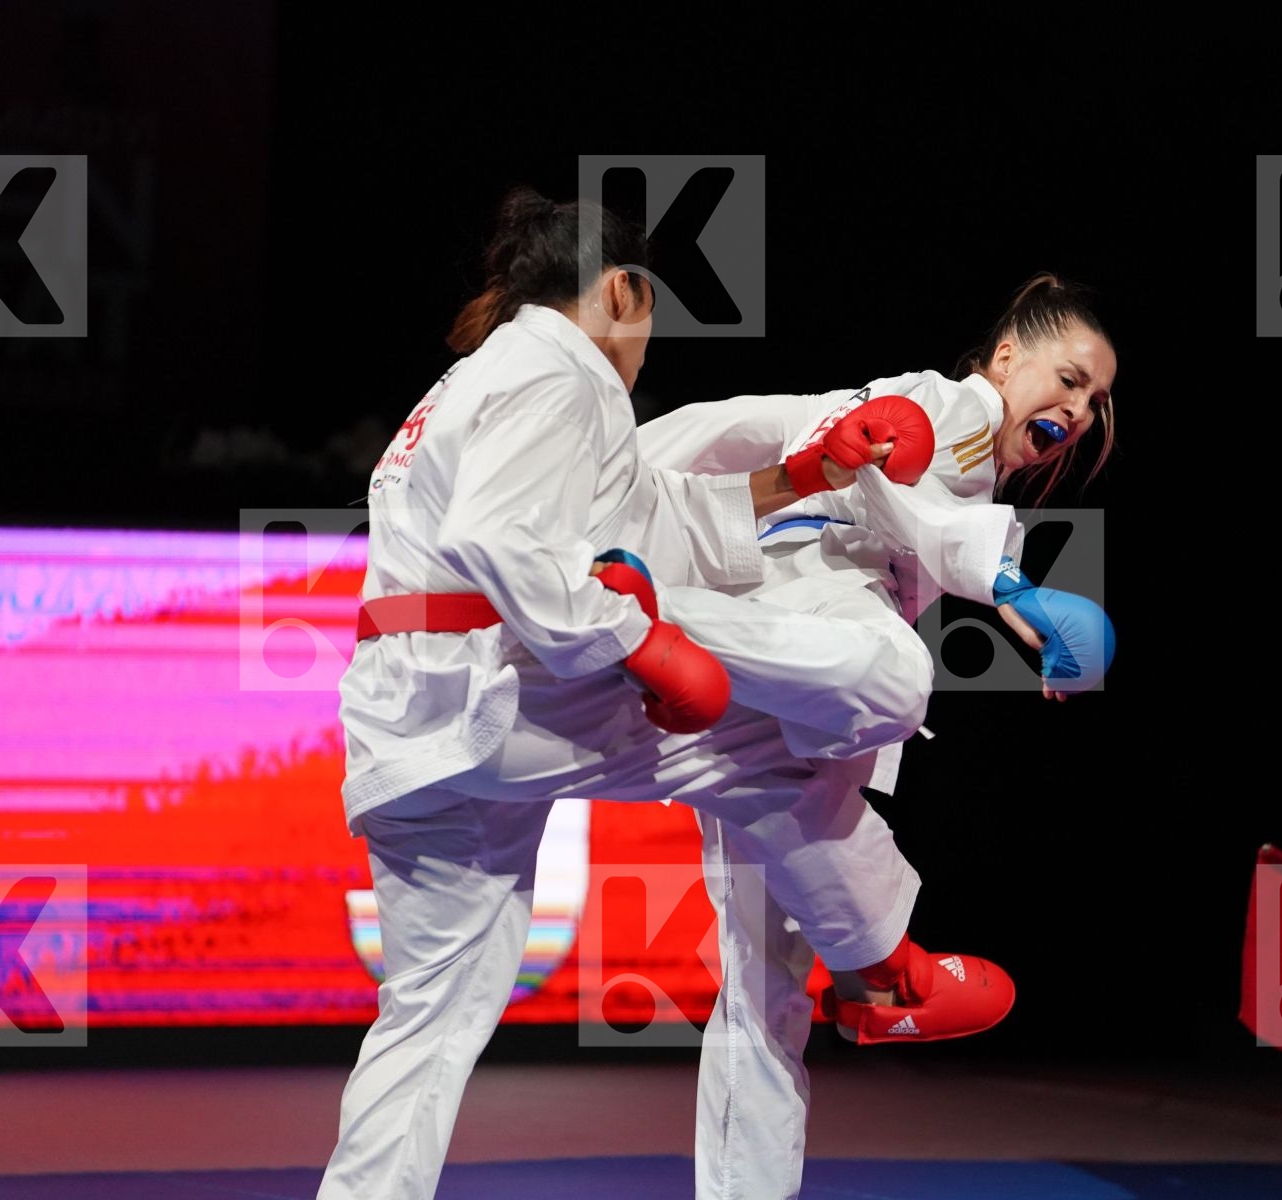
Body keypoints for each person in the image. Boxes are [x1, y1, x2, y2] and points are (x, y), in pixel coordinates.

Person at [319, 188, 1051, 1200]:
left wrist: (798, 474)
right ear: (621, 289)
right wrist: (639, 640)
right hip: (487, 696)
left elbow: (648, 512)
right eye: (651, 308)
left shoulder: (473, 381)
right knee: (782, 746)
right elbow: (502, 541)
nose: (648, 339)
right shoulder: (560, 372)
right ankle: (881, 963)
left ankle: (878, 962)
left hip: (407, 738)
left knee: (426, 1024)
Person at [635, 273, 1118, 1200]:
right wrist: (1011, 593)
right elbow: (899, 493)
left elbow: (751, 419)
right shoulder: (950, 407)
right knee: (894, 681)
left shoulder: (962, 455)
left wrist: (629, 467)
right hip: (801, 615)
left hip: (781, 659)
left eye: (1096, 399)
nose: (1081, 408)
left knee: (761, 985)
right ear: (1007, 357)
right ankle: (883, 965)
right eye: (1069, 378)